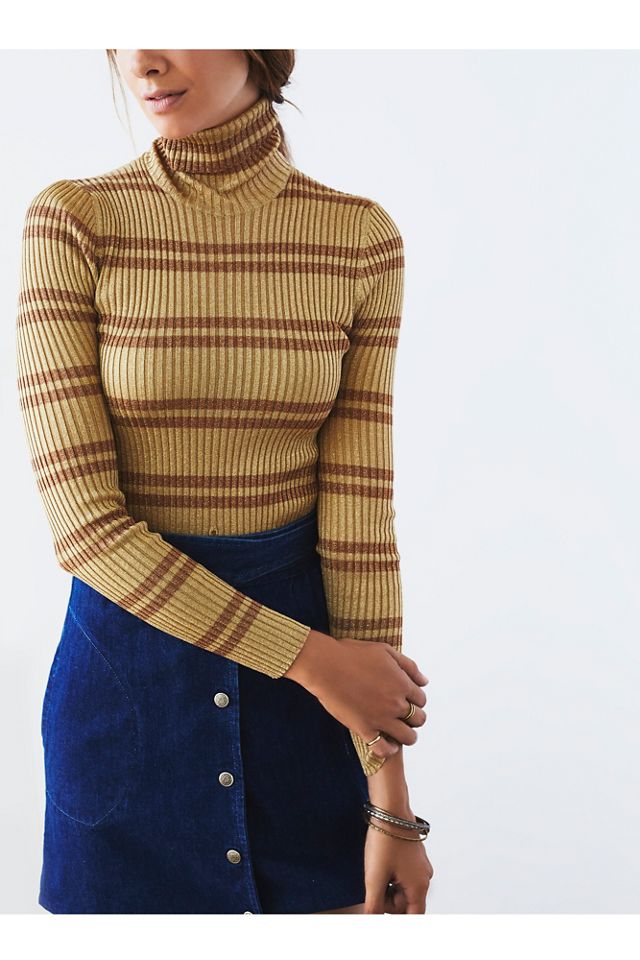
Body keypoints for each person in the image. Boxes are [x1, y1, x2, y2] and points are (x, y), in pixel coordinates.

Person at [16, 48, 434, 914]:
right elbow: (85, 527)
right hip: (132, 692)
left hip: (308, 721)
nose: (143, 59)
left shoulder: (358, 238)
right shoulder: (75, 222)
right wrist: (314, 662)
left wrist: (390, 798)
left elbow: (358, 524)